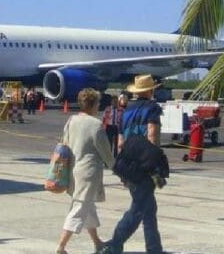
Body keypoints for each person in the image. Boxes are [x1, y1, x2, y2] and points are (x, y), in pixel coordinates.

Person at [102, 75, 165, 254]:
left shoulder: (126, 110)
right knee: (138, 208)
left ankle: (154, 248)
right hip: (144, 165)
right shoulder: (152, 109)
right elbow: (152, 135)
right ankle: (115, 242)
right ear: (150, 90)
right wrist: (155, 163)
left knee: (149, 208)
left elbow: (120, 142)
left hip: (128, 164)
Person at [56, 88, 114, 254]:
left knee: (87, 207)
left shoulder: (72, 120)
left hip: (73, 169)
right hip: (89, 173)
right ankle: (61, 247)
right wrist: (116, 167)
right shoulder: (96, 125)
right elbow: (106, 152)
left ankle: (97, 243)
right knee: (79, 208)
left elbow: (65, 143)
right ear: (94, 104)